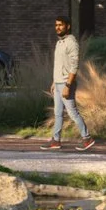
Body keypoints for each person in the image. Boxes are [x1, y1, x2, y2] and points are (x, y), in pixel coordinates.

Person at [45, 16, 94, 150]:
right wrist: (55, 82)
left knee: (72, 113)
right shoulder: (59, 42)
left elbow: (74, 66)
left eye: (61, 25)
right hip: (59, 83)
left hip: (67, 84)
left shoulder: (71, 43)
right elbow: (59, 65)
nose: (58, 27)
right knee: (58, 113)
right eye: (56, 25)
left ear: (68, 26)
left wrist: (67, 85)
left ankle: (87, 138)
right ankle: (56, 140)